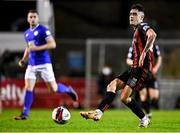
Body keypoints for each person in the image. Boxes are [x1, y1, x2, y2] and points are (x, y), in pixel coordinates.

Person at [80, 4, 157, 128]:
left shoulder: (142, 25)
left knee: (124, 97)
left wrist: (143, 53)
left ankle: (144, 118)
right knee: (112, 85)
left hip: (141, 70)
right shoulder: (137, 30)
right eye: (130, 14)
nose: (131, 16)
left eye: (135, 14)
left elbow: (152, 35)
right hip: (134, 68)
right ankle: (98, 113)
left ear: (141, 17)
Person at [14, 9, 78, 120]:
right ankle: (25, 114)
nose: (32, 18)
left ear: (38, 18)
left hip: (44, 64)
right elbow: (29, 48)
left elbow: (53, 44)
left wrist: (37, 48)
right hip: (32, 65)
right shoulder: (27, 33)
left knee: (53, 89)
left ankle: (68, 90)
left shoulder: (43, 30)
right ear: (28, 19)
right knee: (28, 88)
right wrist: (24, 59)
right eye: (30, 17)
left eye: (34, 16)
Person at [126, 44, 162, 119]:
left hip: (150, 74)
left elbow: (159, 58)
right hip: (140, 75)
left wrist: (156, 68)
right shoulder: (134, 46)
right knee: (143, 97)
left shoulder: (154, 45)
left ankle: (147, 106)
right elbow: (128, 60)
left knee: (154, 97)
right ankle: (148, 113)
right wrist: (137, 63)